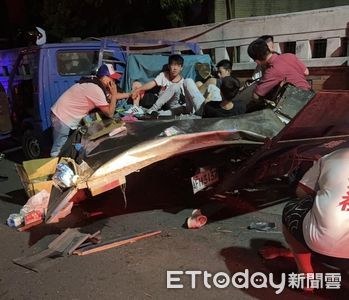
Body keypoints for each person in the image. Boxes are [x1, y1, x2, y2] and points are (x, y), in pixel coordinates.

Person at [260, 148, 349, 290]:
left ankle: (306, 276)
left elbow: (301, 192)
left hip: (323, 245)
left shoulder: (332, 157)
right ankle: (293, 252)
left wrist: (324, 186)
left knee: (295, 208)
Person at [50, 63, 130, 157]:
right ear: (104, 78)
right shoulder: (96, 89)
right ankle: (55, 169)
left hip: (66, 114)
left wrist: (129, 94)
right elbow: (110, 113)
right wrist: (114, 92)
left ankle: (68, 161)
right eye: (112, 78)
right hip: (62, 116)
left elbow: (111, 97)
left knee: (69, 144)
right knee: (58, 150)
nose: (114, 81)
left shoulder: (96, 85)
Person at [134, 54, 205, 116]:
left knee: (180, 89)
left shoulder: (183, 82)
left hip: (178, 105)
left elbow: (186, 99)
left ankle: (154, 113)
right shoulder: (164, 75)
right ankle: (152, 110)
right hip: (164, 103)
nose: (175, 68)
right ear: (169, 66)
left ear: (181, 68)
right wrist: (139, 89)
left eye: (178, 65)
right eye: (173, 65)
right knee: (175, 86)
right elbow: (152, 83)